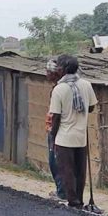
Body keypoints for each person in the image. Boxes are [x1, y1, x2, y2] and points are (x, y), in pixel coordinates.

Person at [49, 54, 98, 209]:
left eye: (58, 67)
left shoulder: (59, 89)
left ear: (62, 69)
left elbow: (55, 117)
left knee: (67, 170)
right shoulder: (86, 85)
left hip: (64, 138)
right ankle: (80, 199)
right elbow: (91, 107)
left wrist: (53, 137)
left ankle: (73, 202)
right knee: (80, 171)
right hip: (81, 137)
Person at [45, 59, 66, 201]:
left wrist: (53, 132)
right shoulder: (58, 88)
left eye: (48, 72)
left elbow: (57, 115)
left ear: (55, 73)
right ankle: (62, 191)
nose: (46, 74)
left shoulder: (58, 90)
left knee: (56, 162)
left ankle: (62, 193)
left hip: (57, 130)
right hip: (58, 130)